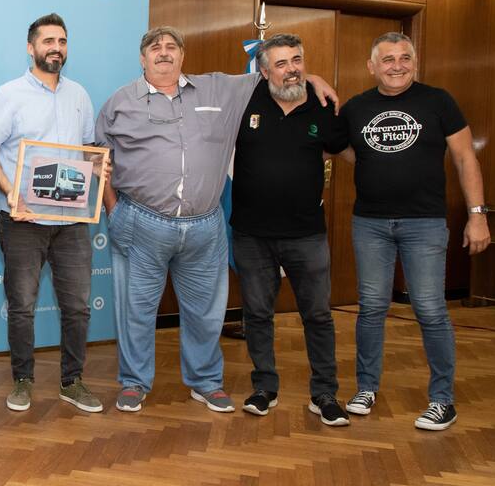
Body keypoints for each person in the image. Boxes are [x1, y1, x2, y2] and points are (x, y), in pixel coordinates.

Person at [96, 26, 336, 415]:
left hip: (205, 226)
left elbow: (274, 72)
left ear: (183, 55)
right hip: (142, 222)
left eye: (171, 46)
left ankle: (206, 382)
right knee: (136, 310)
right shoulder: (120, 102)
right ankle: (134, 382)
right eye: (154, 48)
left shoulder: (219, 89)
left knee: (206, 312)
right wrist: (113, 209)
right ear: (142, 58)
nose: (163, 53)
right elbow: (99, 157)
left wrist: (311, 77)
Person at [338, 32, 490, 431]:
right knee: (371, 308)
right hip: (370, 223)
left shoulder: (438, 102)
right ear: (372, 66)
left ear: (415, 61)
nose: (397, 65)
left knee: (430, 309)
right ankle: (365, 388)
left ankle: (443, 400)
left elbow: (464, 158)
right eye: (387, 59)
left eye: (405, 57)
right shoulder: (356, 107)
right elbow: (350, 151)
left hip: (425, 224)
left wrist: (478, 214)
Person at [0, 13, 105, 415]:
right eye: (48, 40)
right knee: (22, 305)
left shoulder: (80, 96)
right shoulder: (9, 94)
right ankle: (23, 379)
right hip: (23, 222)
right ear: (31, 47)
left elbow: (87, 154)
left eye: (62, 41)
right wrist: (12, 192)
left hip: (71, 224)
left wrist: (99, 172)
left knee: (78, 306)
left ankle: (72, 381)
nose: (56, 48)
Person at [230, 34, 349, 426]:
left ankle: (324, 392)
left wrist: (316, 79)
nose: (291, 68)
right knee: (258, 314)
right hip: (252, 234)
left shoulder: (321, 104)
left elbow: (341, 146)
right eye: (280, 63)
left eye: (297, 60)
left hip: (307, 234)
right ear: (263, 72)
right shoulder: (244, 102)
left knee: (317, 315)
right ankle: (265, 387)